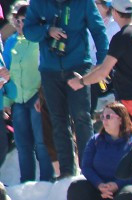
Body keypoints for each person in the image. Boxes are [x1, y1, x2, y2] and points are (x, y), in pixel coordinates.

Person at [23, 0, 107, 179]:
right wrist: (47, 31)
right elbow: (28, 30)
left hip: (77, 67)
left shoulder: (83, 2)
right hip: (49, 70)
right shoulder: (38, 3)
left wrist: (102, 62)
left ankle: (87, 167)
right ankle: (67, 169)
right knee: (58, 120)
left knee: (82, 117)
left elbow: (98, 30)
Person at [65, 102, 132, 200]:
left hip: (123, 185)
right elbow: (86, 166)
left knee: (129, 194)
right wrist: (99, 184)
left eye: (108, 116)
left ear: (120, 119)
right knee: (76, 188)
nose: (104, 120)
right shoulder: (95, 141)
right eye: (102, 116)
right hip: (98, 185)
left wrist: (116, 185)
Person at [67, 0, 132, 131]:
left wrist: (81, 81)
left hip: (129, 99)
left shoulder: (121, 37)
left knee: (128, 144)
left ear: (115, 12)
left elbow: (104, 71)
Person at [4, 3, 54, 184]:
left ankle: (47, 181)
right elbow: (8, 72)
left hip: (36, 96)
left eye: (24, 20)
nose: (19, 23)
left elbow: (46, 69)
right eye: (16, 19)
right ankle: (26, 183)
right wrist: (7, 101)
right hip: (18, 98)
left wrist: (42, 95)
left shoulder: (40, 40)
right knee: (23, 145)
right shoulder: (10, 42)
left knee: (41, 142)